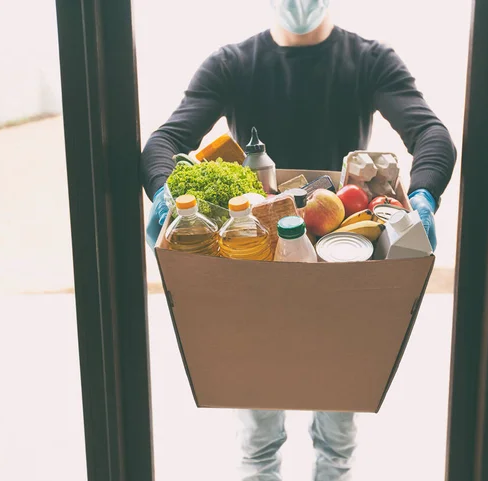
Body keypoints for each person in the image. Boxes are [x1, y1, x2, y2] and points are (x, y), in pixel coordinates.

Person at [141, 1, 456, 479]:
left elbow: (431, 133)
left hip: (343, 265)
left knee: (337, 423)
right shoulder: (231, 64)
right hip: (253, 265)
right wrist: (164, 191)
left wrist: (424, 196)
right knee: (258, 433)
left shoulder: (369, 60)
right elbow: (165, 141)